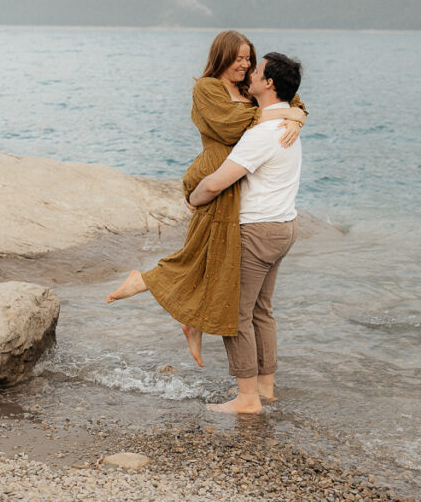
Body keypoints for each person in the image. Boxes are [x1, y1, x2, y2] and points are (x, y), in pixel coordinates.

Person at [105, 31, 306, 369]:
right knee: (198, 256)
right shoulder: (207, 89)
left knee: (213, 260)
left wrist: (298, 115)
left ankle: (192, 323)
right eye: (238, 58)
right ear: (222, 56)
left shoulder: (249, 88)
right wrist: (290, 117)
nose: (245, 65)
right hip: (216, 174)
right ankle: (144, 281)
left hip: (238, 177)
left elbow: (289, 99)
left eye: (249, 59)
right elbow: (233, 126)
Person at [187, 51, 303, 414]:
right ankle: (266, 388)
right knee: (261, 311)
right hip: (285, 227)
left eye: (257, 70)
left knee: (235, 315)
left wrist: (193, 196)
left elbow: (218, 182)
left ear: (268, 83)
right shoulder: (287, 128)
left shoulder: (265, 133)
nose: (249, 73)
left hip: (256, 233)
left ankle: (247, 399)